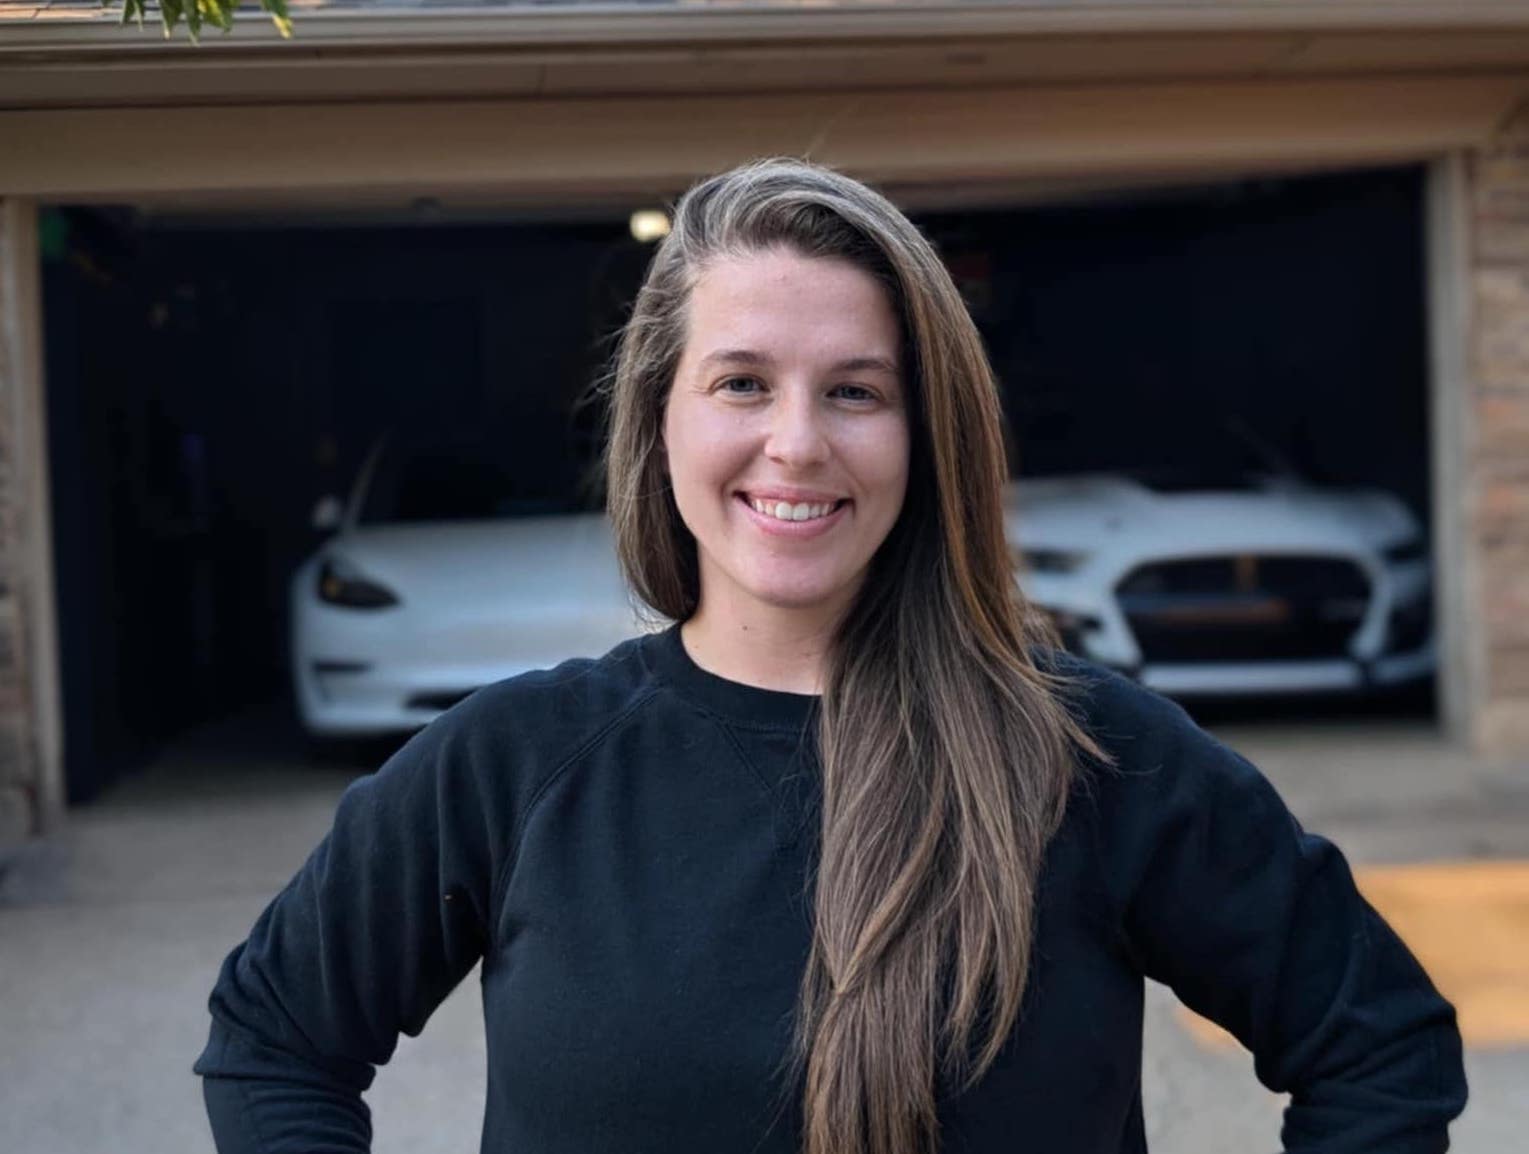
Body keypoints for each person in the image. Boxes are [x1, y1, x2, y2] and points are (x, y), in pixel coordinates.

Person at [195, 158, 1466, 1154]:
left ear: (924, 433)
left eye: (854, 390)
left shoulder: (1091, 757)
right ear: (658, 420)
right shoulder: (513, 764)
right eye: (741, 382)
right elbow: (273, 1034)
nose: (795, 443)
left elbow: (1377, 1043)